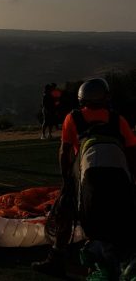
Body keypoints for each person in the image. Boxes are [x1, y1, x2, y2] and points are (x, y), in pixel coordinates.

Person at [32, 78, 136, 278]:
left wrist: (67, 181)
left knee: (66, 210)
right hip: (119, 175)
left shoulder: (73, 118)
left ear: (81, 99)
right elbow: (132, 151)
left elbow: (65, 152)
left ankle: (57, 259)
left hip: (88, 173)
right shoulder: (117, 119)